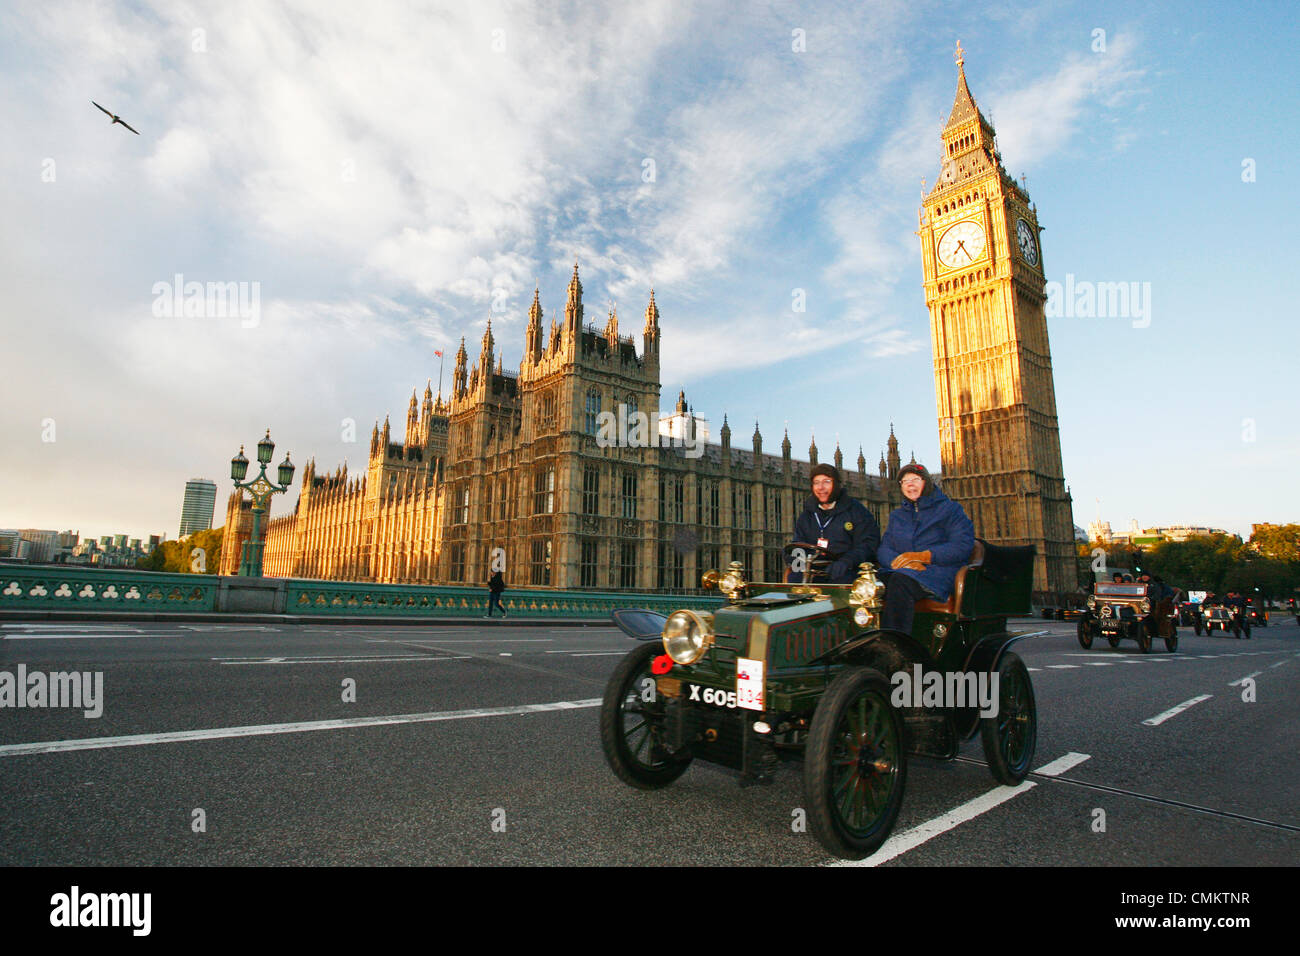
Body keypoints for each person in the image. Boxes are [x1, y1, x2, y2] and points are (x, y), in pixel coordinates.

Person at [876, 463, 974, 635]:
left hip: (937, 573)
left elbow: (962, 546)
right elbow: (884, 548)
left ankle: (895, 646)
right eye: (905, 481)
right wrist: (897, 563)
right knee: (866, 585)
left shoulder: (950, 510)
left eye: (915, 479)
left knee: (900, 582)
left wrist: (924, 556)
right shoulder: (897, 516)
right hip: (903, 572)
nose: (910, 484)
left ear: (926, 482)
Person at [788, 463, 880, 584]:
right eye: (816, 482)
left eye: (826, 481)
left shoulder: (856, 510)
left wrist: (847, 561)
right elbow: (798, 544)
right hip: (814, 570)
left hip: (846, 570)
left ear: (836, 484)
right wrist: (794, 557)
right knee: (795, 580)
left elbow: (869, 544)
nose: (821, 487)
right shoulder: (807, 515)